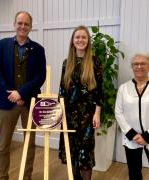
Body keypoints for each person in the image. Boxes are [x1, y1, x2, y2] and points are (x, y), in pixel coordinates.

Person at [0, 11, 46, 180]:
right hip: (7, 102)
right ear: (14, 24)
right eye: (20, 23)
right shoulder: (2, 45)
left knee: (29, 145)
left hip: (29, 102)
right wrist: (11, 93)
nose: (23, 26)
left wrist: (21, 93)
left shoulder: (38, 50)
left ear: (30, 27)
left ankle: (26, 177)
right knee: (3, 145)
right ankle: (2, 177)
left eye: (26, 24)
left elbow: (40, 76)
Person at [58, 25, 103, 180]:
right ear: (73, 40)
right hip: (69, 115)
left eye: (84, 37)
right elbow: (62, 91)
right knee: (72, 152)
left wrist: (97, 114)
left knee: (85, 153)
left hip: (87, 116)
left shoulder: (95, 62)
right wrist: (59, 115)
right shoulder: (66, 63)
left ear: (88, 40)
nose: (80, 40)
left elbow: (99, 91)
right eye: (77, 37)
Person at [115, 54, 149, 180]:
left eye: (143, 63)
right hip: (131, 138)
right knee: (134, 172)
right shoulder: (123, 88)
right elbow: (118, 112)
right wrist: (132, 134)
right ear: (132, 67)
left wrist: (146, 136)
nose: (139, 66)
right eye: (135, 64)